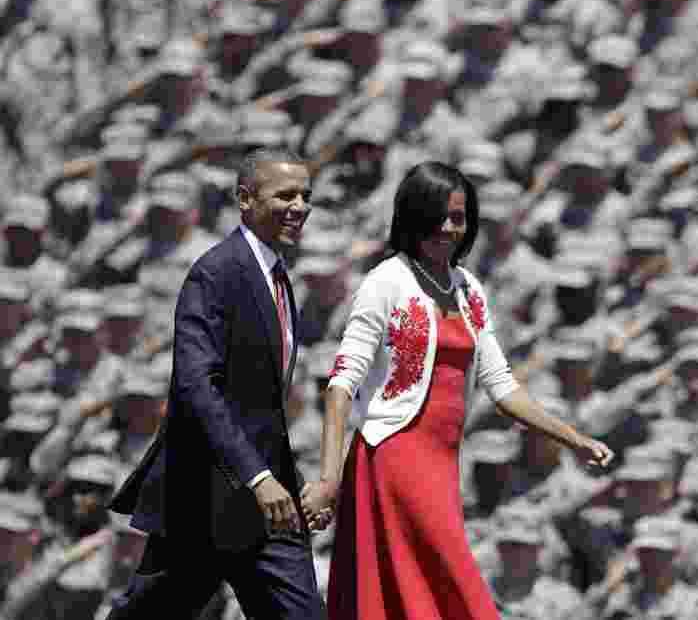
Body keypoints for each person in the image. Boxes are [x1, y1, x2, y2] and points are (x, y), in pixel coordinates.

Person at [299, 161, 614, 620]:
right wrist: (329, 480)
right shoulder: (386, 281)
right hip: (394, 454)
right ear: (411, 217)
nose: (448, 228)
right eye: (437, 215)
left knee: (425, 591)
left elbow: (503, 388)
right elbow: (341, 384)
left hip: (444, 460)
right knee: (456, 583)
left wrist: (573, 438)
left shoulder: (468, 289)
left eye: (459, 218)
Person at [102, 148, 327, 619]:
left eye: (306, 195)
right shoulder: (216, 272)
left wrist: (286, 479)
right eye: (285, 194)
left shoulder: (280, 277)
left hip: (268, 508)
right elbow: (197, 387)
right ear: (245, 199)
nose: (300, 205)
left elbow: (261, 404)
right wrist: (257, 475)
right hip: (204, 501)